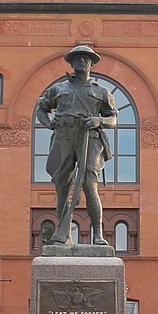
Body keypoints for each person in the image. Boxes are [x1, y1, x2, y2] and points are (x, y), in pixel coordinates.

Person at [36, 45, 118, 245]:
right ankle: (65, 235)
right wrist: (49, 124)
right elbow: (42, 108)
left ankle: (98, 234)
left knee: (90, 184)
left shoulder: (102, 92)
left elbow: (113, 119)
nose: (82, 61)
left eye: (86, 58)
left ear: (91, 63)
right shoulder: (59, 88)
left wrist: (99, 121)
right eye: (77, 58)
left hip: (89, 138)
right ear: (71, 63)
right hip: (63, 136)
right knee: (62, 186)